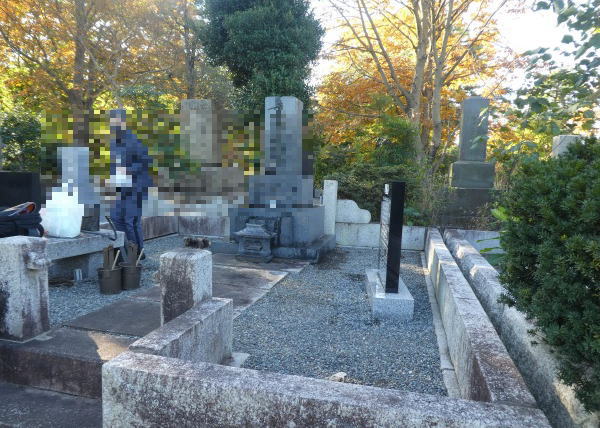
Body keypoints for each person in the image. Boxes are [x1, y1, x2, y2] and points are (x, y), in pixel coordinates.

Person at [109, 109, 152, 259]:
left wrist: (129, 170)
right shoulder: (113, 143)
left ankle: (139, 253)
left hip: (137, 187)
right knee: (116, 218)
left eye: (117, 120)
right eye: (112, 121)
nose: (114, 124)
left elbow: (147, 161)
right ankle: (127, 250)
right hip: (121, 187)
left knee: (130, 221)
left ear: (124, 121)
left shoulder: (134, 140)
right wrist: (113, 182)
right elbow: (114, 166)